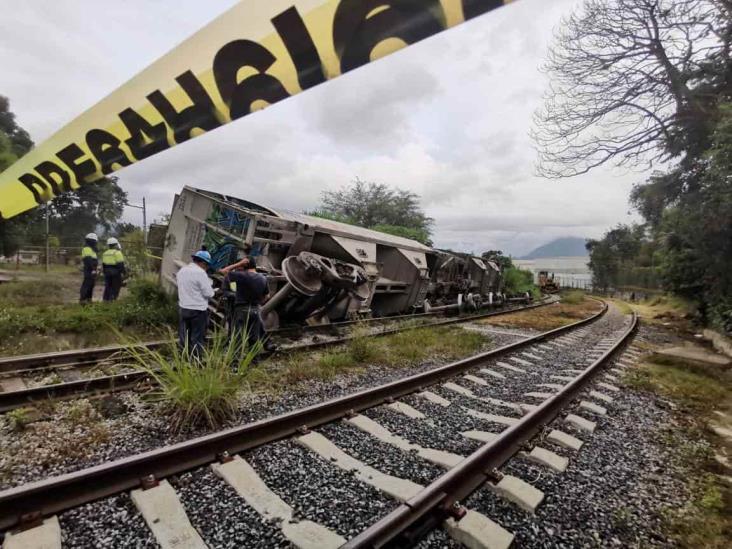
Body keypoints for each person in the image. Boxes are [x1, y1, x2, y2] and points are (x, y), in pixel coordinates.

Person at [220, 256, 272, 354]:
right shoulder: (262, 278)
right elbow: (267, 296)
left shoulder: (239, 276)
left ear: (244, 265)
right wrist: (258, 303)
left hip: (242, 308)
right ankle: (254, 359)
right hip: (247, 307)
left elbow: (223, 271)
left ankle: (235, 363)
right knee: (253, 337)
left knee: (238, 337)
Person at [177, 250, 215, 357]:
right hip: (198, 311)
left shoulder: (182, 271)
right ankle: (196, 363)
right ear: (203, 263)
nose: (206, 268)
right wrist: (214, 291)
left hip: (183, 309)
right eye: (207, 265)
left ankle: (183, 359)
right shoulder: (201, 273)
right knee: (197, 338)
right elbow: (209, 293)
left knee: (184, 337)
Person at [102, 237, 126, 302]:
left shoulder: (105, 253)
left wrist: (104, 272)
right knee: (115, 286)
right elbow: (121, 264)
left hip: (107, 272)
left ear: (108, 245)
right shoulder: (117, 253)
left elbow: (103, 265)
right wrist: (124, 273)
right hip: (115, 272)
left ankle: (105, 299)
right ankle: (112, 299)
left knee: (108, 286)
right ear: (115, 244)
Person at [79, 233, 99, 304]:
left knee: (91, 284)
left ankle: (88, 299)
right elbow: (88, 260)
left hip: (92, 269)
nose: (96, 243)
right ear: (92, 241)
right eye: (95, 241)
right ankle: (83, 299)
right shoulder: (87, 248)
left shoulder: (91, 249)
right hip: (89, 269)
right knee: (87, 284)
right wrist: (93, 269)